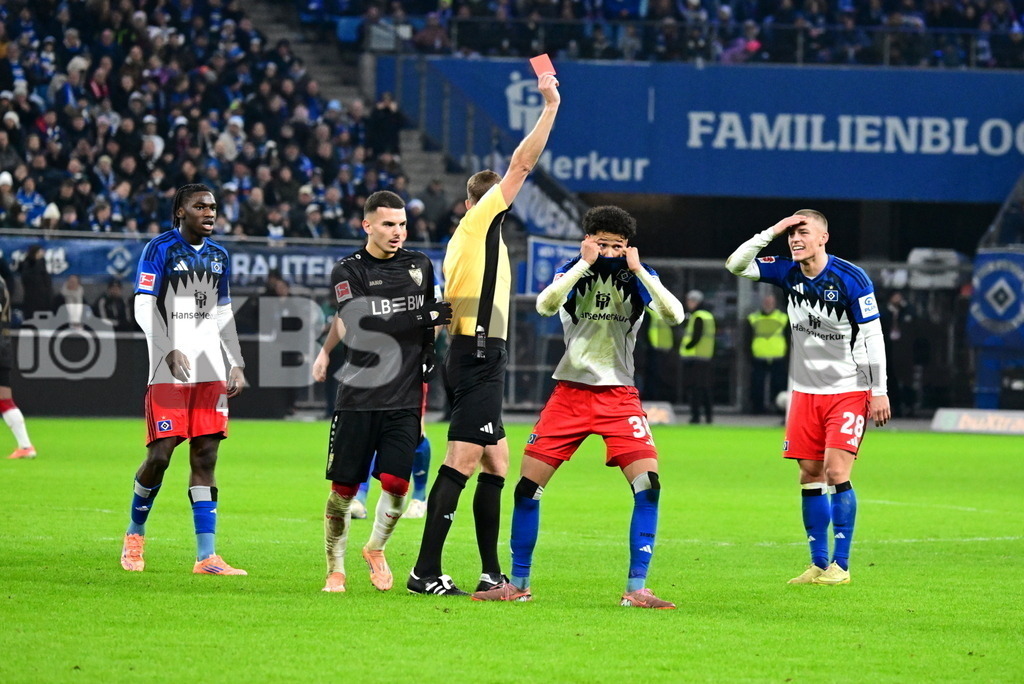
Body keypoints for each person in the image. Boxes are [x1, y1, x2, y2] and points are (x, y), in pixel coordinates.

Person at [471, 206, 685, 608]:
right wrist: (582, 265)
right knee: (527, 490)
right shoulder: (573, 270)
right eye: (601, 242)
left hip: (619, 396)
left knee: (648, 487)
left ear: (627, 248)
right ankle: (518, 584)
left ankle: (636, 589)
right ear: (587, 240)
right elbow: (544, 306)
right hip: (569, 394)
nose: (608, 251)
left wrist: (639, 270)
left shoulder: (638, 277)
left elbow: (675, 315)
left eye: (616, 245)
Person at [408, 72, 561, 596]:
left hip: (471, 352)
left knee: (497, 460)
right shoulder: (478, 223)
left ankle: (492, 573)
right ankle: (424, 570)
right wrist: (550, 106)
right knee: (464, 460)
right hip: (478, 355)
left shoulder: (468, 241)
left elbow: (447, 309)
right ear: (486, 199)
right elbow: (523, 163)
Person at [725, 210, 890, 586]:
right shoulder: (786, 272)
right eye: (791, 234)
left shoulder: (851, 278)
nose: (795, 239)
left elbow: (871, 336)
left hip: (848, 389)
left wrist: (877, 390)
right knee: (809, 474)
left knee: (836, 471)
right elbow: (736, 265)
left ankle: (841, 566)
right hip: (804, 393)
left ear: (823, 238)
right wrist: (772, 230)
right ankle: (818, 563)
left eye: (803, 232)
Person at [311, 190, 451, 593]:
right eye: (389, 224)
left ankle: (375, 549)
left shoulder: (420, 265)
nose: (398, 232)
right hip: (358, 397)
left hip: (404, 396)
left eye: (403, 224)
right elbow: (358, 320)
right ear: (367, 225)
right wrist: (421, 315)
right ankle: (334, 569)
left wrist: (428, 350)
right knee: (343, 491)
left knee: (396, 483)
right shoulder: (348, 269)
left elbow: (431, 321)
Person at [120, 183, 248, 576]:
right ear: (180, 211)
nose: (210, 213)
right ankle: (135, 534)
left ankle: (206, 556)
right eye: (200, 206)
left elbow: (223, 312)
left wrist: (236, 362)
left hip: (210, 365)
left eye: (213, 207)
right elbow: (143, 304)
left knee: (206, 456)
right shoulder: (159, 249)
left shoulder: (218, 256)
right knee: (160, 455)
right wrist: (164, 348)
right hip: (167, 368)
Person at [1, 276, 35, 459]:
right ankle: (25, 446)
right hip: (4, 345)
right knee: (4, 400)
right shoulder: (2, 283)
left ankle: (25, 446)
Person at [748, 293, 789, 414]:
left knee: (778, 385)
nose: (768, 304)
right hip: (759, 356)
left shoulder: (783, 318)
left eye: (770, 302)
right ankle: (757, 408)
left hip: (778, 356)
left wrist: (788, 357)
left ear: (775, 303)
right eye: (766, 302)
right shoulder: (753, 318)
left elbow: (788, 338)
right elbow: (747, 338)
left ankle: (779, 409)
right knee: (757, 384)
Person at [680, 290, 715, 424]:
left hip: (695, 357)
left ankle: (695, 416)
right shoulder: (707, 315)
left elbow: (696, 336)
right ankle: (708, 416)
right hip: (705, 357)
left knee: (695, 389)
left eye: (691, 301)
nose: (689, 303)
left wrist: (687, 347)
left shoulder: (698, 316)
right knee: (704, 388)